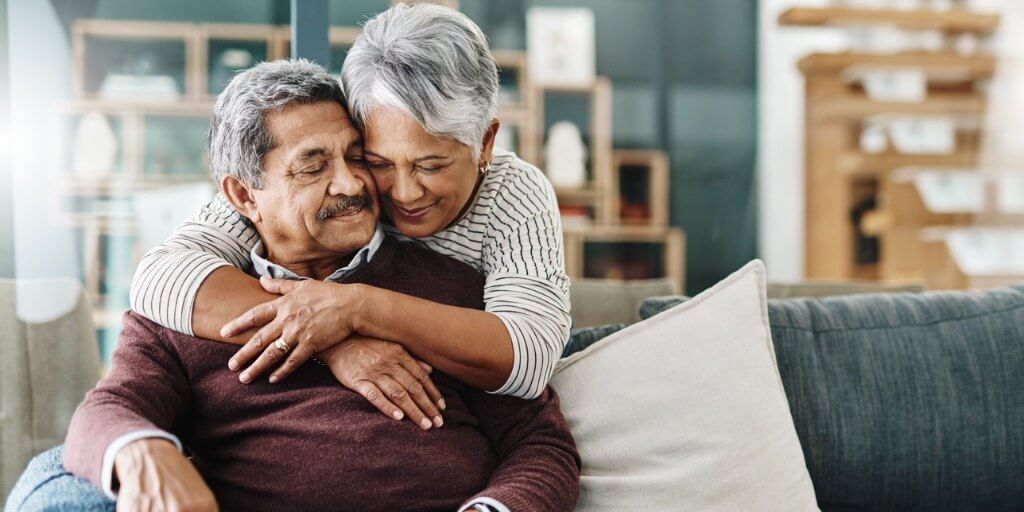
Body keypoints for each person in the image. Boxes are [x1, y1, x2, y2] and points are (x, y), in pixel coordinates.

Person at [6, 59, 579, 512]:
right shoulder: (191, 302)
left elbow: (540, 442)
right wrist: (142, 452)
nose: (352, 182)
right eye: (312, 167)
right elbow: (105, 410)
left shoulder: (450, 288)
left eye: (357, 157)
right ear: (243, 197)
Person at [128, 2, 570, 425]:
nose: (403, 192)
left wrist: (357, 308)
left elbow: (529, 359)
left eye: (430, 165)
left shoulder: (514, 194)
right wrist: (338, 341)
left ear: (486, 143)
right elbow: (160, 277)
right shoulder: (340, 185)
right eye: (376, 161)